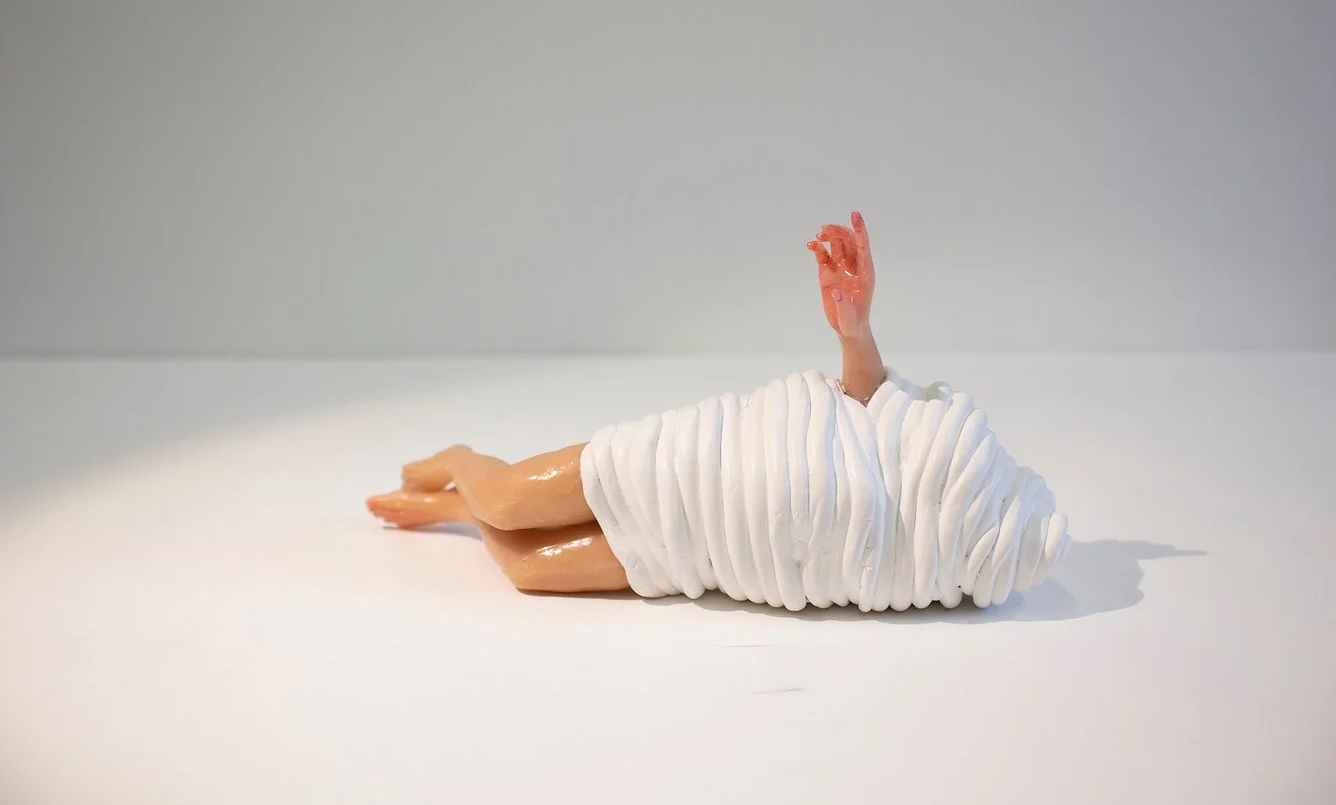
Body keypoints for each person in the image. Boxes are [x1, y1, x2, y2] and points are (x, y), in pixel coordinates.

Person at [367, 212, 1069, 611]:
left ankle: (458, 509)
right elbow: (870, 398)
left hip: (708, 547)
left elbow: (832, 579)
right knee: (513, 499)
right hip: (700, 460)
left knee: (530, 569)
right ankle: (464, 464)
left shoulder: (919, 568)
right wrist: (855, 330)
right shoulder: (946, 444)